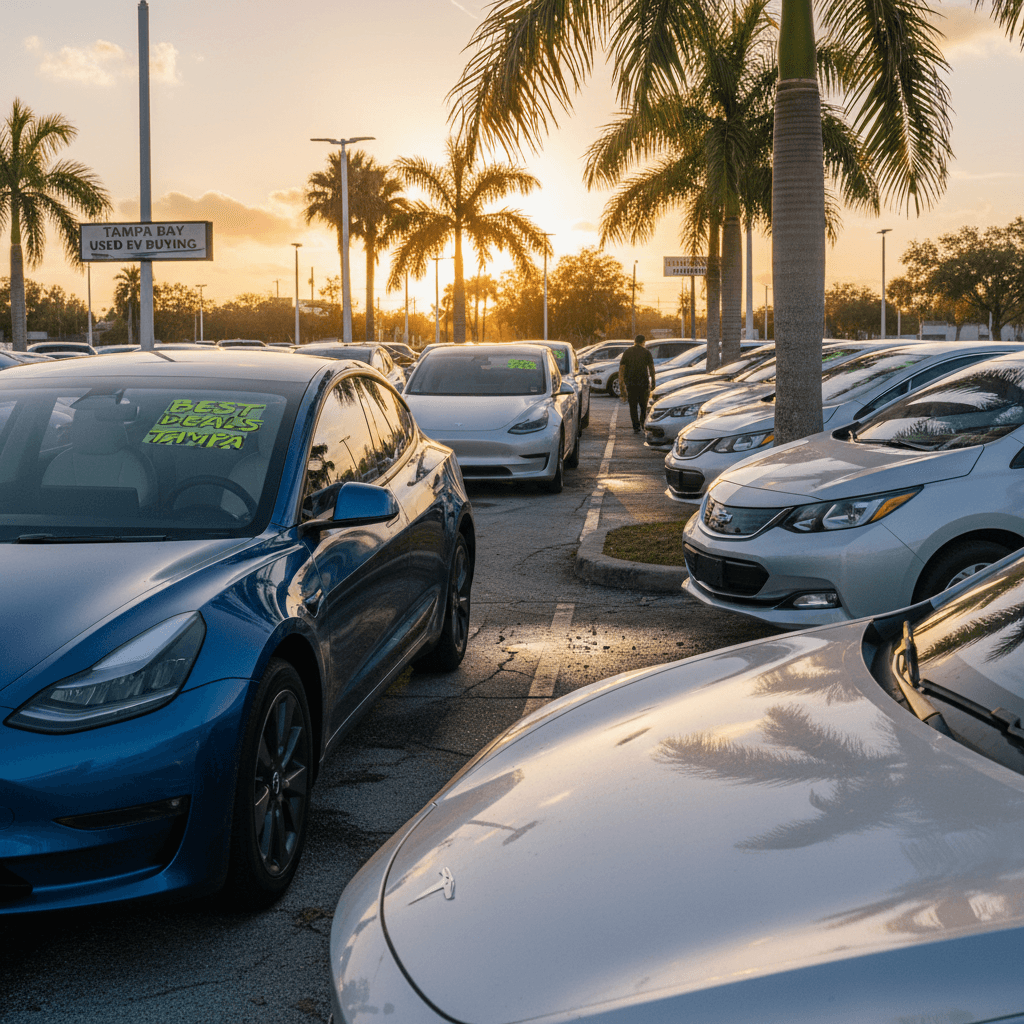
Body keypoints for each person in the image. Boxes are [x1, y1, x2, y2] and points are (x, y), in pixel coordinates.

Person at [618, 334, 657, 432]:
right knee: (643, 406)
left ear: (635, 342)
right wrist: (653, 382)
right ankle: (642, 422)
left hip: (631, 383)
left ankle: (636, 426)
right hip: (643, 383)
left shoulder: (627, 352)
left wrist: (622, 384)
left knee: (633, 406)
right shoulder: (646, 352)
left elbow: (622, 369)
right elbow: (651, 368)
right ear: (643, 342)